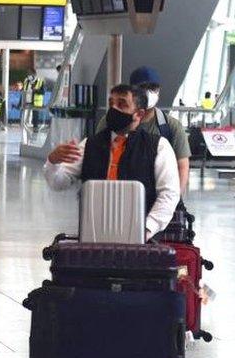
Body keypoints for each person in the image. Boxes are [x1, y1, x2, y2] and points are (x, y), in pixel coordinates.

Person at [45, 84, 180, 237]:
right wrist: (53, 162)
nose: (114, 109)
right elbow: (58, 183)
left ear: (139, 114)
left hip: (143, 240)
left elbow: (169, 193)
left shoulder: (158, 147)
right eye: (111, 104)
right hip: (94, 234)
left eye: (122, 104)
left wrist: (147, 229)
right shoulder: (89, 144)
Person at [96, 66, 192, 194]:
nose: (148, 92)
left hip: (158, 198)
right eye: (142, 87)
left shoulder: (171, 127)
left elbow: (182, 166)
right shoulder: (110, 122)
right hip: (117, 193)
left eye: (153, 88)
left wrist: (175, 201)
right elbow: (97, 157)